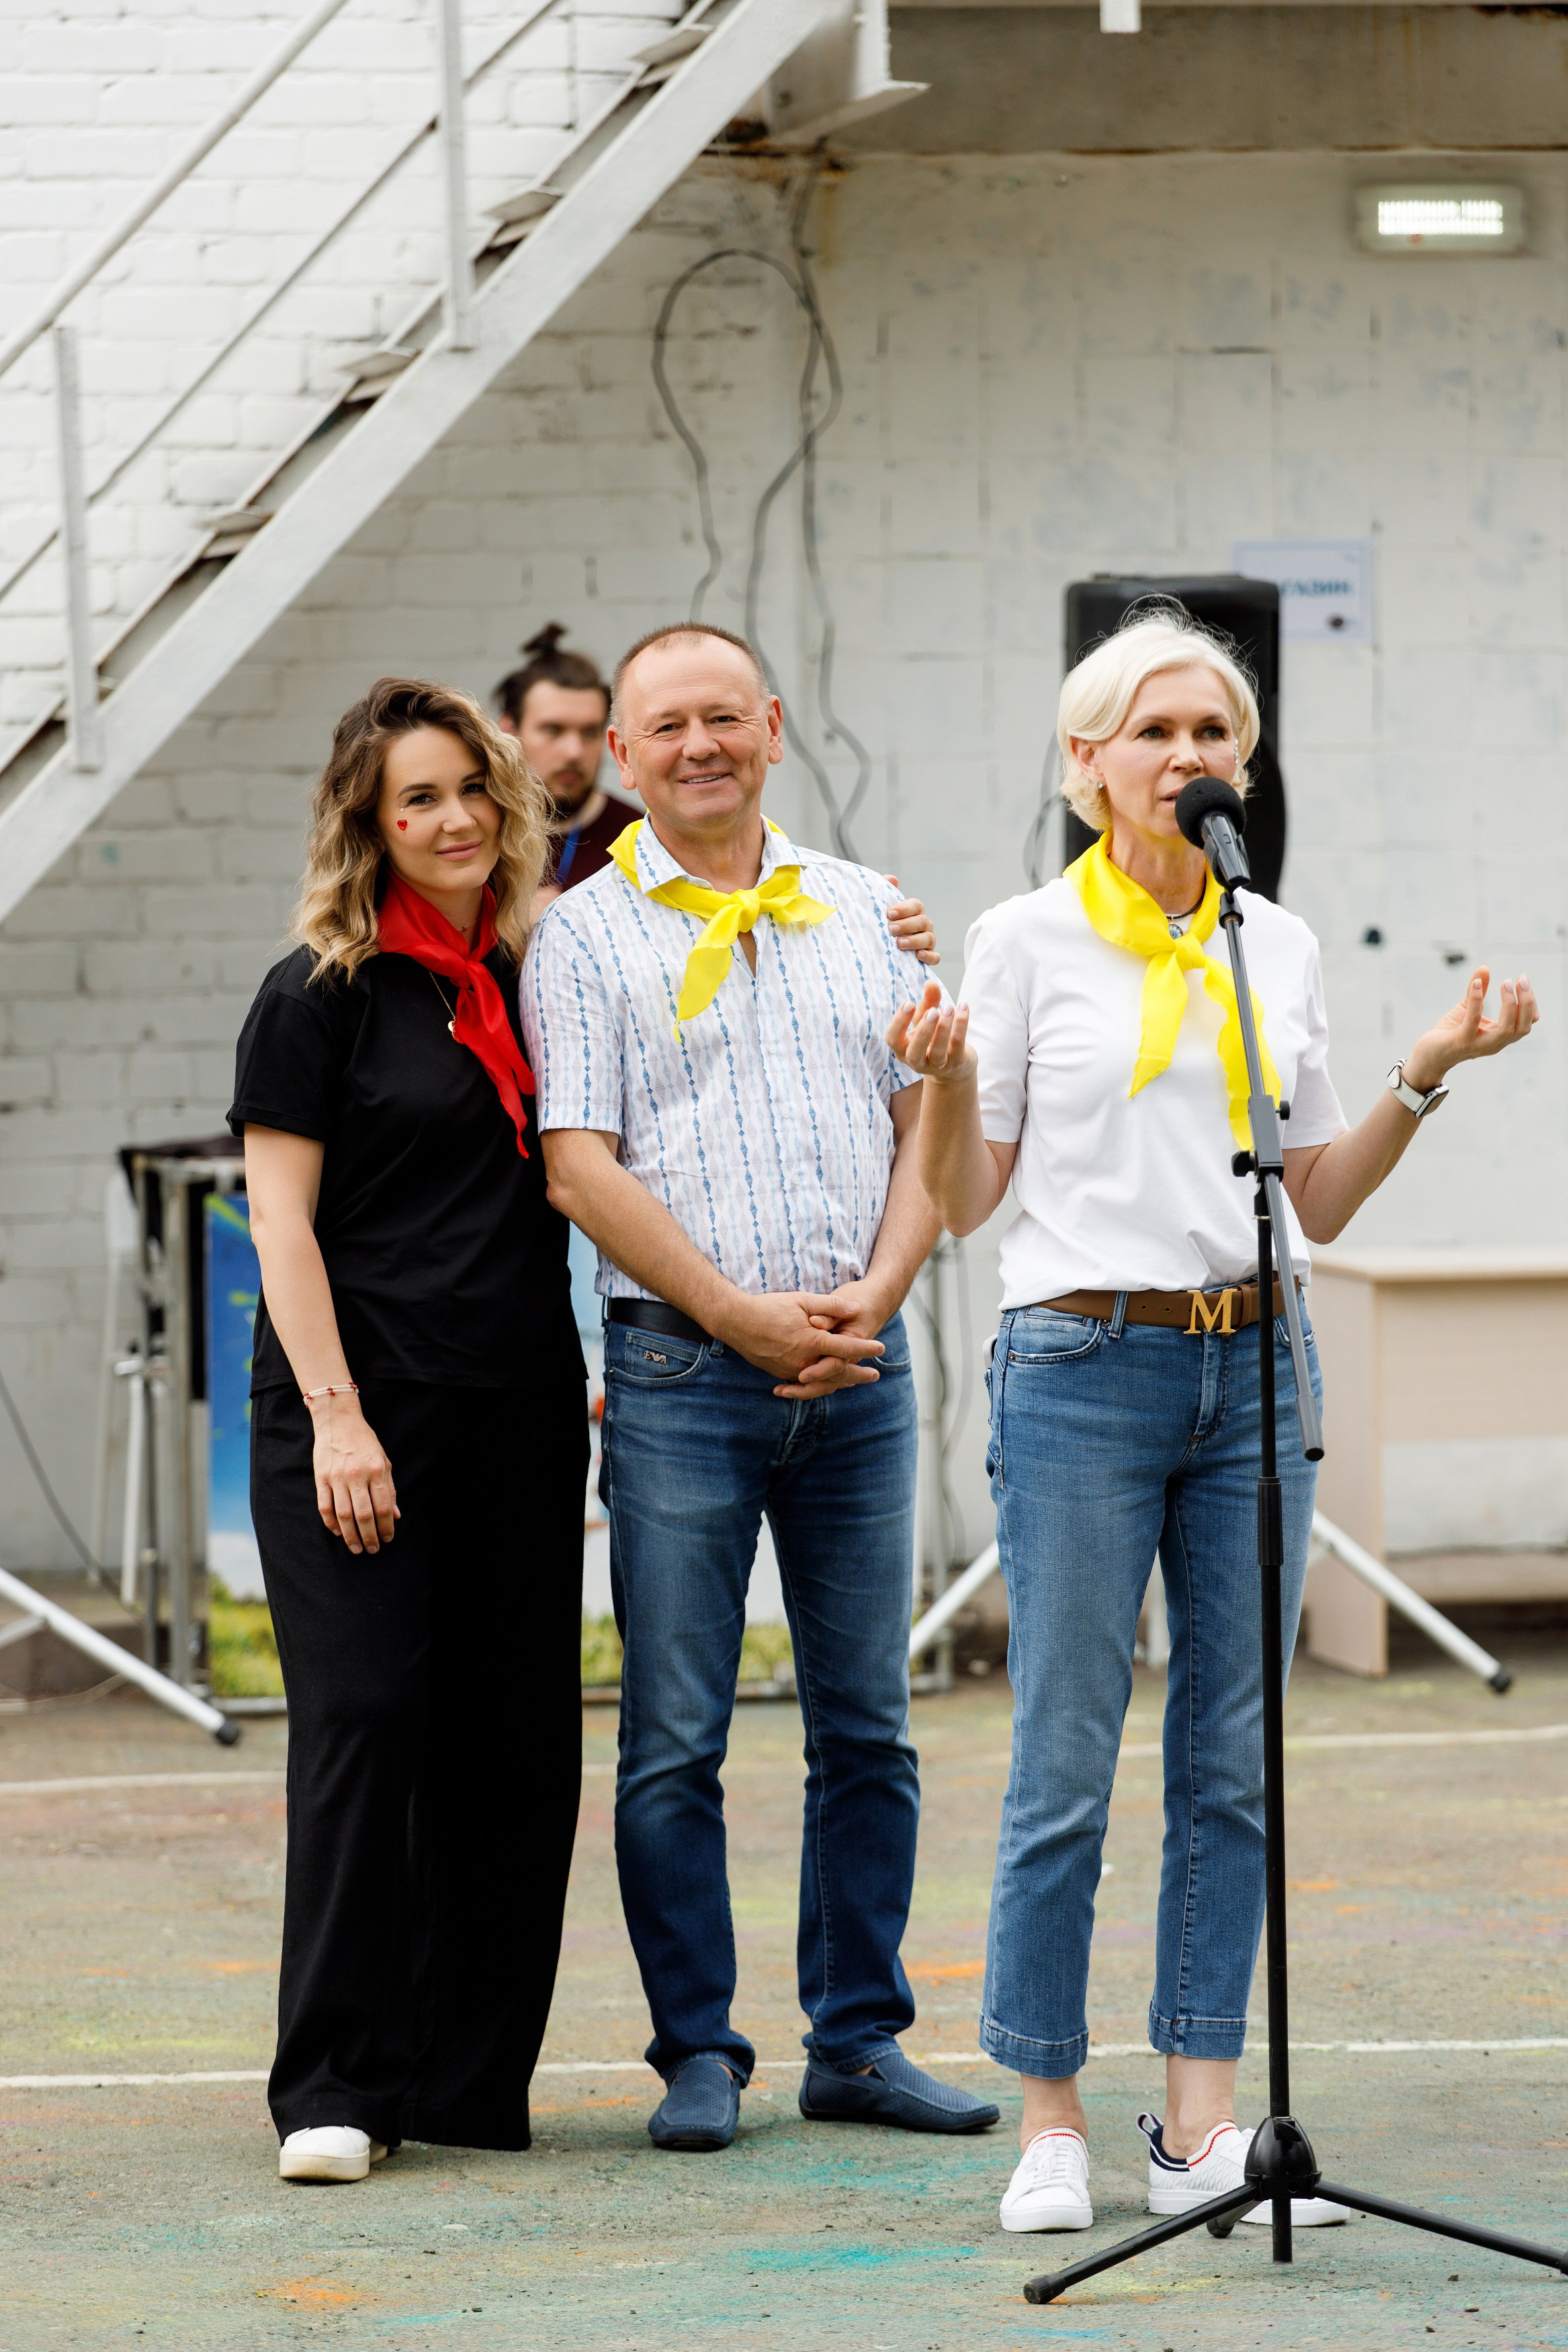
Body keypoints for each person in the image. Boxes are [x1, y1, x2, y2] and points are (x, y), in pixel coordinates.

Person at [891, 610, 1538, 2236]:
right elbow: (970, 1198)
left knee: (1231, 1761)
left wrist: (1425, 1069)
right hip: (1082, 1365)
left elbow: (1309, 1185)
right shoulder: (1024, 939)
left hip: (1253, 1361)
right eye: (1159, 731)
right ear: (1086, 762)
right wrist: (949, 1084)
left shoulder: (1276, 943)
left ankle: (1199, 2128)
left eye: (1218, 735)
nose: (1193, 757)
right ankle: (1048, 2118)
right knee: (1060, 1753)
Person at [522, 620, 1000, 2154]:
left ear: (773, 727)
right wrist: (736, 1318)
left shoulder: (867, 909)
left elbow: (927, 1109)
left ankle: (857, 2041)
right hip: (679, 1372)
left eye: (722, 717)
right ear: (620, 756)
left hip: (859, 1365)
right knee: (676, 1733)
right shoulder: (584, 937)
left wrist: (881, 1287)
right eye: (664, 729)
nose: (697, 747)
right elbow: (577, 1166)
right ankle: (696, 2053)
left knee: (868, 1726)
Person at [230, 677, 587, 2183]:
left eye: (469, 789)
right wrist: (337, 1418)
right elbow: (281, 1222)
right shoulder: (318, 988)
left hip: (517, 1409)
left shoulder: (532, 976)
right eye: (416, 799)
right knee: (368, 1721)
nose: (452, 818)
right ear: (368, 828)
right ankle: (334, 2079)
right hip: (353, 1412)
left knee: (515, 1744)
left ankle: (460, 2077)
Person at [496, 624, 627, 904]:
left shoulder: (637, 838)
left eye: (590, 732)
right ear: (509, 732)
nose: (574, 752)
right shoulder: (477, 833)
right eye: (553, 730)